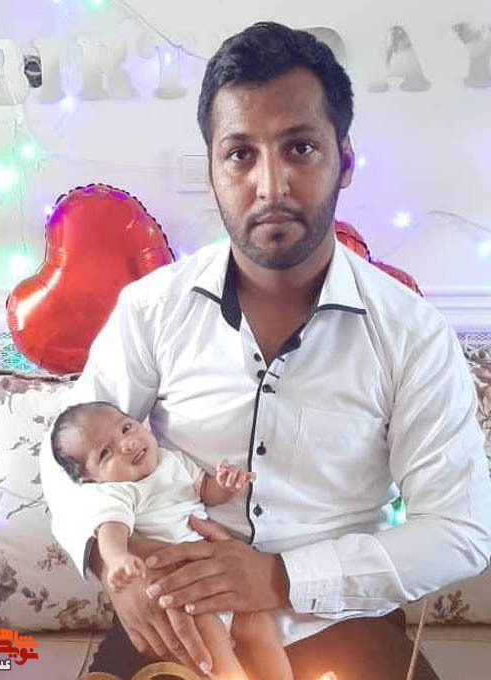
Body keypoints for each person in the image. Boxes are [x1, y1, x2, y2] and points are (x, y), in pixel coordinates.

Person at [40, 21, 491, 680]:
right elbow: (65, 453)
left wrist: (280, 578)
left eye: (300, 148)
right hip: (179, 613)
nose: (270, 185)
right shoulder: (151, 309)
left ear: (344, 160)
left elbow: (459, 528)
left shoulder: (412, 334)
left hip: (345, 621)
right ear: (212, 170)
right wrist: (109, 560)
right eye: (240, 154)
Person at [49, 400, 292, 680]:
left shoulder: (171, 460)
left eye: (126, 428)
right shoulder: (115, 492)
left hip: (219, 573)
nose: (127, 444)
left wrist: (225, 486)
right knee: (213, 645)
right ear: (89, 479)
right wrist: (117, 559)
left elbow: (205, 491)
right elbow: (111, 531)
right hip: (180, 585)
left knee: (260, 626)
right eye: (105, 452)